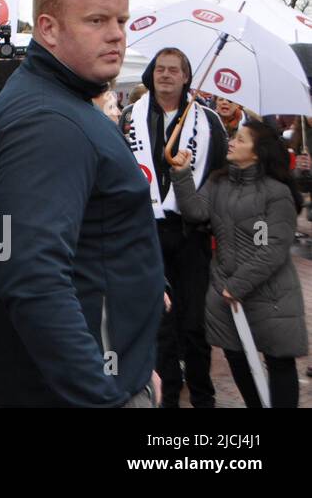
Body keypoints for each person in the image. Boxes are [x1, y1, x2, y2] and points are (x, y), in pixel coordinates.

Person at [0, 0, 163, 407]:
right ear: (49, 29)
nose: (116, 34)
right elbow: (34, 279)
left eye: (121, 19)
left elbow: (89, 240)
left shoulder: (56, 102)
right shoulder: (49, 121)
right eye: (96, 20)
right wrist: (106, 396)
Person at [167, 122, 307, 408]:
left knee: (278, 361)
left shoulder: (275, 192)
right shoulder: (218, 182)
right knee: (237, 357)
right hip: (228, 296)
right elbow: (195, 211)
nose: (231, 141)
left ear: (257, 153)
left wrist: (236, 285)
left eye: (240, 139)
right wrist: (181, 174)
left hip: (271, 296)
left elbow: (271, 248)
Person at [121, 47, 228, 408]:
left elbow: (218, 174)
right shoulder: (127, 117)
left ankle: (203, 397)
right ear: (151, 75)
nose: (165, 75)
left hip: (190, 233)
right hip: (146, 233)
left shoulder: (208, 121)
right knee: (159, 322)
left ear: (186, 77)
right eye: (160, 69)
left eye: (174, 70)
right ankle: (166, 395)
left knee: (194, 323)